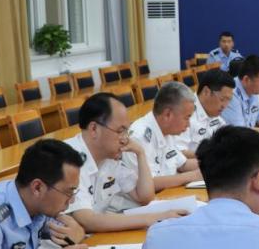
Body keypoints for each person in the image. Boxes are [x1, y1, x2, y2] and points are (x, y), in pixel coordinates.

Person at [65, 93, 183, 231]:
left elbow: (144, 197)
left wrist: (140, 153)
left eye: (126, 131)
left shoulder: (110, 157)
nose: (125, 139)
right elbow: (88, 220)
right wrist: (154, 218)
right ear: (94, 129)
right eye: (120, 131)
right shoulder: (69, 158)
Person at [126, 82, 202, 191]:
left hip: (167, 194)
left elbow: (183, 164)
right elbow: (148, 184)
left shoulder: (167, 130)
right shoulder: (139, 136)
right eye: (186, 118)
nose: (189, 124)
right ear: (167, 114)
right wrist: (193, 176)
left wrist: (213, 165)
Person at [174, 68, 234, 156]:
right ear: (206, 92)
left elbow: (228, 138)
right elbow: (178, 152)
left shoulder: (213, 111)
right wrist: (210, 156)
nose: (225, 105)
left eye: (229, 100)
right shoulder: (185, 112)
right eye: (222, 99)